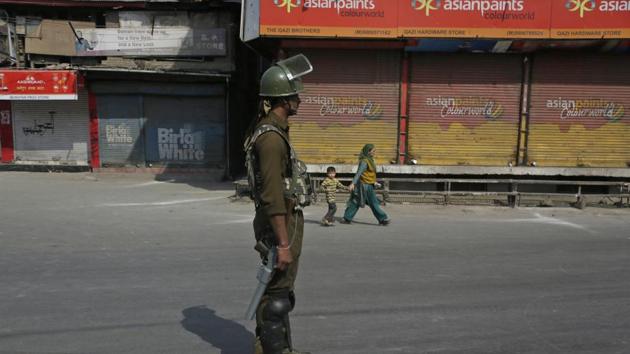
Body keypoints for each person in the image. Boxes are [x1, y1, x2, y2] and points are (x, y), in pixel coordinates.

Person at [245, 54, 313, 354]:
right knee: (277, 295)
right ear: (283, 99)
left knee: (279, 291)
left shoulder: (272, 131)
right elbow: (273, 195)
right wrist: (283, 243)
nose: (299, 98)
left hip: (282, 218)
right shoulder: (271, 140)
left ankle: (274, 349)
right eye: (294, 94)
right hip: (280, 220)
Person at [341, 144, 390, 225]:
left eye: (375, 151)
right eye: (373, 151)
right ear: (368, 151)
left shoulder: (370, 160)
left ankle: (347, 217)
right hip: (363, 186)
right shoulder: (364, 161)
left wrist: (374, 182)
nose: (374, 152)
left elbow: (369, 174)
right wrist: (353, 183)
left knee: (359, 201)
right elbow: (359, 173)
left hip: (369, 185)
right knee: (365, 202)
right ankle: (382, 219)